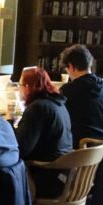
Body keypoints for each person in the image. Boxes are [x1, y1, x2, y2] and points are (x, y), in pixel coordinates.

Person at [15, 67, 73, 197]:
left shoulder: (37, 108)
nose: (19, 89)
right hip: (65, 176)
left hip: (47, 179)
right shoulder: (58, 103)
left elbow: (21, 149)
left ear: (28, 87)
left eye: (20, 85)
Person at [58, 44, 103, 146]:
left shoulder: (68, 90)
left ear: (71, 66)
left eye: (66, 68)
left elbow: (58, 116)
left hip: (81, 147)